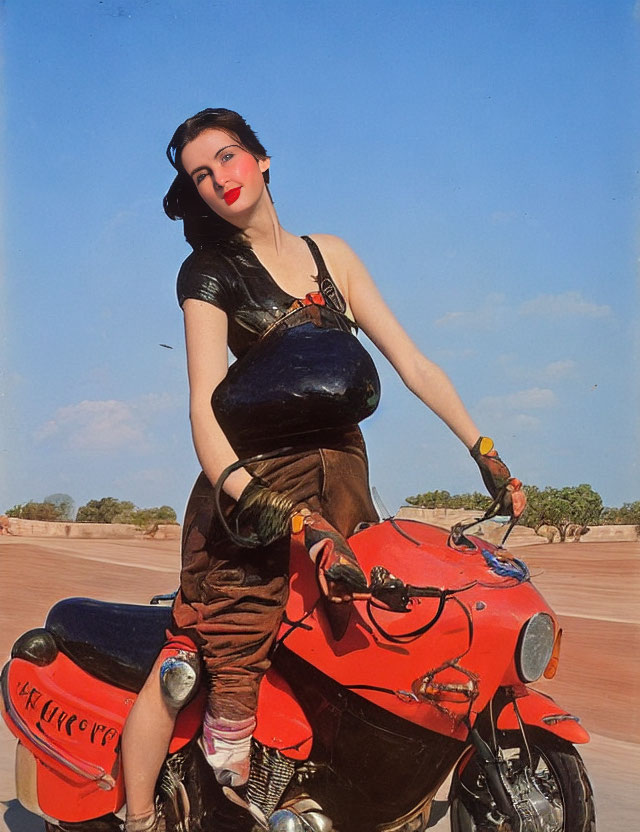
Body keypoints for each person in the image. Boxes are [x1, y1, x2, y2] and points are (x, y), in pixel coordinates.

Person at [121, 108, 524, 832]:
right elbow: (204, 415)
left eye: (229, 158)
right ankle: (138, 815)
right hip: (251, 495)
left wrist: (484, 451)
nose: (219, 180)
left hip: (340, 483)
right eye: (200, 176)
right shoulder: (208, 275)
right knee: (205, 660)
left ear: (263, 158)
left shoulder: (330, 256)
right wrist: (267, 507)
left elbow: (415, 365)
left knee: (357, 641)